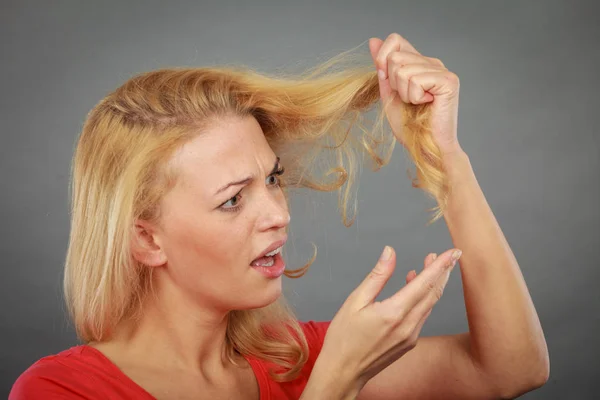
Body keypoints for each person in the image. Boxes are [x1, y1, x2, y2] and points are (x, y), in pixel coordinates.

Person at [9, 33, 549, 400]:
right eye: (232, 200)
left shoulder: (291, 358)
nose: (278, 215)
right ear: (147, 239)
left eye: (272, 179)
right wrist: (334, 383)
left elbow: (509, 369)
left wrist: (443, 155)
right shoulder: (61, 390)